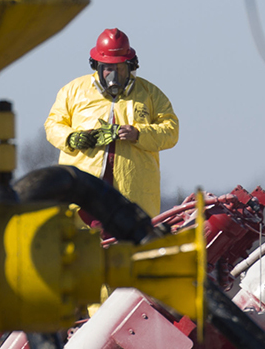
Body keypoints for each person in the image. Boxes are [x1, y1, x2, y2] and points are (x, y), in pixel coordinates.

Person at [44, 28, 179, 217]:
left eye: (120, 68)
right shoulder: (73, 91)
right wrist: (71, 138)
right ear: (97, 66)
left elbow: (171, 131)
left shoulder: (150, 94)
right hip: (83, 194)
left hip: (133, 197)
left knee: (129, 244)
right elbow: (52, 125)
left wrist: (139, 134)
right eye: (108, 68)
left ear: (130, 66)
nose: (113, 76)